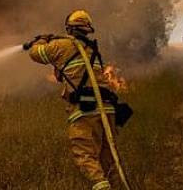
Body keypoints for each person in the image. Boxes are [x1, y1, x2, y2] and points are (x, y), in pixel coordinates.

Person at [25, 10, 119, 190]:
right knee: (108, 158)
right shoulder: (92, 49)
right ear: (87, 29)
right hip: (107, 110)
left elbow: (35, 54)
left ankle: (102, 187)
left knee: (84, 155)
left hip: (85, 111)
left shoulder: (61, 45)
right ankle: (113, 185)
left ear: (68, 28)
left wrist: (42, 40)